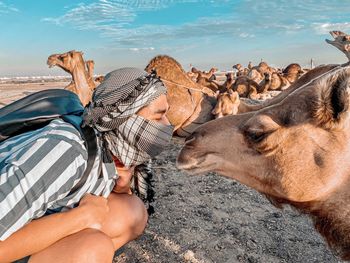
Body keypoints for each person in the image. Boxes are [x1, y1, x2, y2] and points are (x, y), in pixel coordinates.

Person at [0, 68, 173, 263]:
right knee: (93, 249)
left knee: (132, 212)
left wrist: (122, 187)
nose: (168, 125)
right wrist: (80, 217)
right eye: (158, 117)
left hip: (32, 222)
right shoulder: (65, 150)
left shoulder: (107, 145)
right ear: (123, 116)